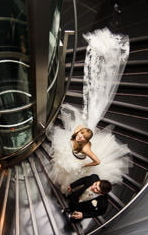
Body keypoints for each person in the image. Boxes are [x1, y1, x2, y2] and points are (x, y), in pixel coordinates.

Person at [47, 27, 131, 192]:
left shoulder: (86, 148)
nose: (78, 135)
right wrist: (74, 137)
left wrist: (85, 164)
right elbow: (75, 134)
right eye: (79, 134)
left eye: (81, 136)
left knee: (66, 172)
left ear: (85, 141)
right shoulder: (77, 130)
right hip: (72, 154)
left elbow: (97, 161)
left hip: (77, 160)